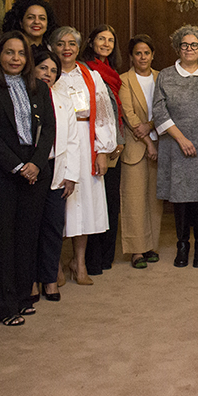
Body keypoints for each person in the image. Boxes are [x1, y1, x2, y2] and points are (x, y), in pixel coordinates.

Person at [0, 32, 55, 325]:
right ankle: (1, 307)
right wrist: (17, 165)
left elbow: (49, 132)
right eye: (9, 53)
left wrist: (36, 164)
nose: (15, 59)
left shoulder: (38, 89)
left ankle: (21, 297)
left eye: (20, 54)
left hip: (33, 173)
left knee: (25, 239)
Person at [51, 26, 117, 283]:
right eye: (60, 43)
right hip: (59, 145)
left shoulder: (90, 75)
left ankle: (79, 263)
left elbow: (102, 113)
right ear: (53, 47)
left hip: (87, 140)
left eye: (72, 43)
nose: (66, 48)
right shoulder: (48, 73)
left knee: (86, 205)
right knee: (60, 205)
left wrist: (103, 151)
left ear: (79, 48)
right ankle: (54, 264)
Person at [154, 25, 198, 268]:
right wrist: (181, 138)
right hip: (175, 145)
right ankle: (182, 245)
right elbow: (158, 110)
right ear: (178, 48)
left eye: (194, 45)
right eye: (184, 45)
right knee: (180, 199)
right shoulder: (165, 75)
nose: (189, 49)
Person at [31, 47, 78, 303]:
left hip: (57, 171)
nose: (48, 74)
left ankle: (49, 279)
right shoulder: (22, 95)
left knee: (52, 228)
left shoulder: (62, 99)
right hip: (30, 171)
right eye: (43, 68)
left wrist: (70, 175)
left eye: (52, 70)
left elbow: (72, 141)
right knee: (30, 229)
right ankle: (29, 281)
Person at [80, 25, 126, 274]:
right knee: (94, 202)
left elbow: (114, 110)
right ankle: (91, 259)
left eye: (110, 39)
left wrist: (119, 141)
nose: (106, 43)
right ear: (91, 41)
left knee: (110, 201)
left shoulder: (111, 71)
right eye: (101, 38)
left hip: (116, 142)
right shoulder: (85, 69)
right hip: (94, 145)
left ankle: (106, 256)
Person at [119, 35, 164, 269]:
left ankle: (150, 246)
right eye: (138, 53)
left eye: (147, 52)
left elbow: (167, 108)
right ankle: (136, 250)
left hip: (161, 144)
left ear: (153, 55)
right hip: (137, 148)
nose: (143, 57)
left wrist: (153, 125)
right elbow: (129, 115)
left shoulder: (161, 77)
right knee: (134, 199)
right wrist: (149, 142)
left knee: (154, 201)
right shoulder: (124, 80)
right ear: (131, 56)